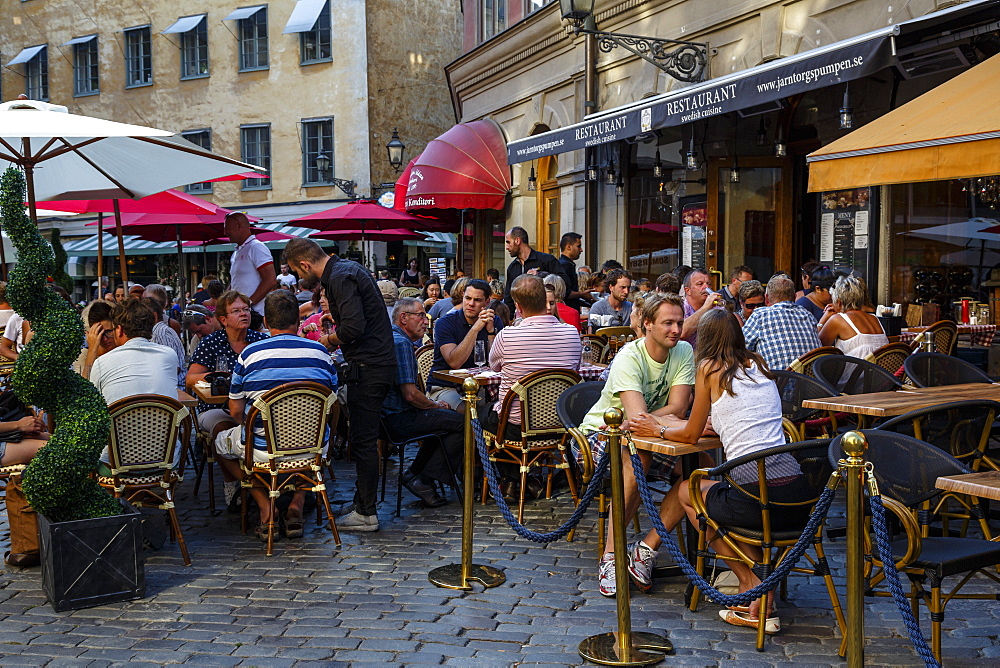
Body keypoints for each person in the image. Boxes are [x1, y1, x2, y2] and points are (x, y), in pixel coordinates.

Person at [625, 308, 811, 631]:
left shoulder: (709, 368)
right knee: (731, 494)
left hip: (757, 497)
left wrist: (655, 428)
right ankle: (754, 594)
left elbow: (689, 435)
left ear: (705, 342)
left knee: (688, 492)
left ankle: (752, 582)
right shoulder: (760, 366)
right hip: (795, 496)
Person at [575, 294, 695, 596]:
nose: (676, 329)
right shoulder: (629, 356)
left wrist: (651, 422)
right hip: (598, 435)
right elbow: (638, 416)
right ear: (647, 324)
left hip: (648, 435)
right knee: (638, 458)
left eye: (679, 323)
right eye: (667, 323)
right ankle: (611, 555)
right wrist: (654, 422)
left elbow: (678, 407)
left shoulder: (683, 351)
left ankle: (645, 548)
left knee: (701, 466)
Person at [283, 238, 396, 533]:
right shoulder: (347, 269)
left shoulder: (337, 277)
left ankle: (366, 513)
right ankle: (363, 504)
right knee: (363, 438)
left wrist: (327, 340)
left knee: (363, 441)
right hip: (376, 364)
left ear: (305, 265)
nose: (299, 279)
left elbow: (354, 328)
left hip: (369, 367)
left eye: (297, 272)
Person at [213, 291, 338, 540]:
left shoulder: (250, 356)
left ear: (267, 323)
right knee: (307, 447)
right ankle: (297, 502)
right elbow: (332, 405)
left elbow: (236, 411)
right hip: (312, 448)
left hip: (263, 449)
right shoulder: (321, 354)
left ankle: (265, 506)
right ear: (298, 320)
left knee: (217, 442)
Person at [382, 297, 464, 508]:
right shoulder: (400, 343)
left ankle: (415, 474)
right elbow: (410, 394)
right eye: (420, 315)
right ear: (403, 318)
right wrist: (435, 405)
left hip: (387, 417)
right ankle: (424, 480)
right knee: (463, 423)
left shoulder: (392, 338)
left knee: (445, 422)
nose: (425, 321)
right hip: (396, 418)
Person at [88, 299, 179, 470]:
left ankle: (122, 493)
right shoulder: (169, 356)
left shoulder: (102, 363)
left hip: (116, 462)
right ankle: (147, 493)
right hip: (164, 459)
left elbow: (88, 403)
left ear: (120, 330)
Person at [485, 275, 581, 439]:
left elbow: (494, 368)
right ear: (545, 299)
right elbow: (575, 372)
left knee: (475, 414)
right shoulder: (572, 333)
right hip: (561, 423)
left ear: (518, 306)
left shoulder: (506, 336)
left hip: (516, 426)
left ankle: (498, 464)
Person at [186, 291, 269, 451]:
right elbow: (190, 379)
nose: (244, 314)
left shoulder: (261, 341)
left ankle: (262, 466)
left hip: (255, 407)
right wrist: (219, 378)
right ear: (223, 320)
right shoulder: (210, 343)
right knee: (221, 432)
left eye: (246, 309)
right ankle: (236, 476)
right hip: (217, 407)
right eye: (236, 311)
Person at [426, 279, 503, 411]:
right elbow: (455, 362)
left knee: (505, 409)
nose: (471, 304)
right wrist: (475, 329)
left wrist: (490, 332)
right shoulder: (445, 323)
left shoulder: (494, 321)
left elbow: (495, 364)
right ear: (462, 296)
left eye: (477, 300)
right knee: (469, 411)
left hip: (481, 387)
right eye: (468, 298)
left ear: (487, 302)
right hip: (445, 386)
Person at [742, 275, 821, 370]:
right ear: (795, 297)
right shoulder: (808, 315)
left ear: (766, 298)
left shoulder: (761, 315)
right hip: (811, 382)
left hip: (776, 381)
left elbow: (738, 347)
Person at [818, 275, 888, 358]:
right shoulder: (874, 318)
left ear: (839, 302)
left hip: (857, 370)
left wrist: (823, 319)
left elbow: (817, 346)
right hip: (880, 370)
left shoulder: (838, 319)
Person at [503, 226, 565, 312]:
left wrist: (541, 275)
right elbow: (508, 297)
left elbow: (563, 282)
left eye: (508, 242)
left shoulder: (547, 260)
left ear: (517, 241)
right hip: (520, 318)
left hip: (545, 313)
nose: (507, 247)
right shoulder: (512, 267)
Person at [225, 211, 277, 315]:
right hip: (241, 312)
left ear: (239, 226)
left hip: (255, 314)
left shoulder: (256, 247)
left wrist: (248, 303)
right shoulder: (237, 252)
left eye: (228, 229)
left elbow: (270, 280)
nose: (225, 233)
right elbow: (236, 281)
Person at [142, 297, 185, 388]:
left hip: (174, 389)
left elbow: (172, 368)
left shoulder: (161, 333)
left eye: (143, 316)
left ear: (154, 316)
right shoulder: (160, 331)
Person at [680, 268, 724, 349]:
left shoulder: (717, 309)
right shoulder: (679, 308)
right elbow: (681, 333)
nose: (706, 287)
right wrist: (705, 307)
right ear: (688, 290)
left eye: (709, 284)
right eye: (700, 284)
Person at [558, 232, 591, 310]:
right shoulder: (565, 265)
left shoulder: (567, 264)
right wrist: (582, 294)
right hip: (567, 312)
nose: (581, 250)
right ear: (569, 247)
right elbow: (565, 293)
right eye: (578, 246)